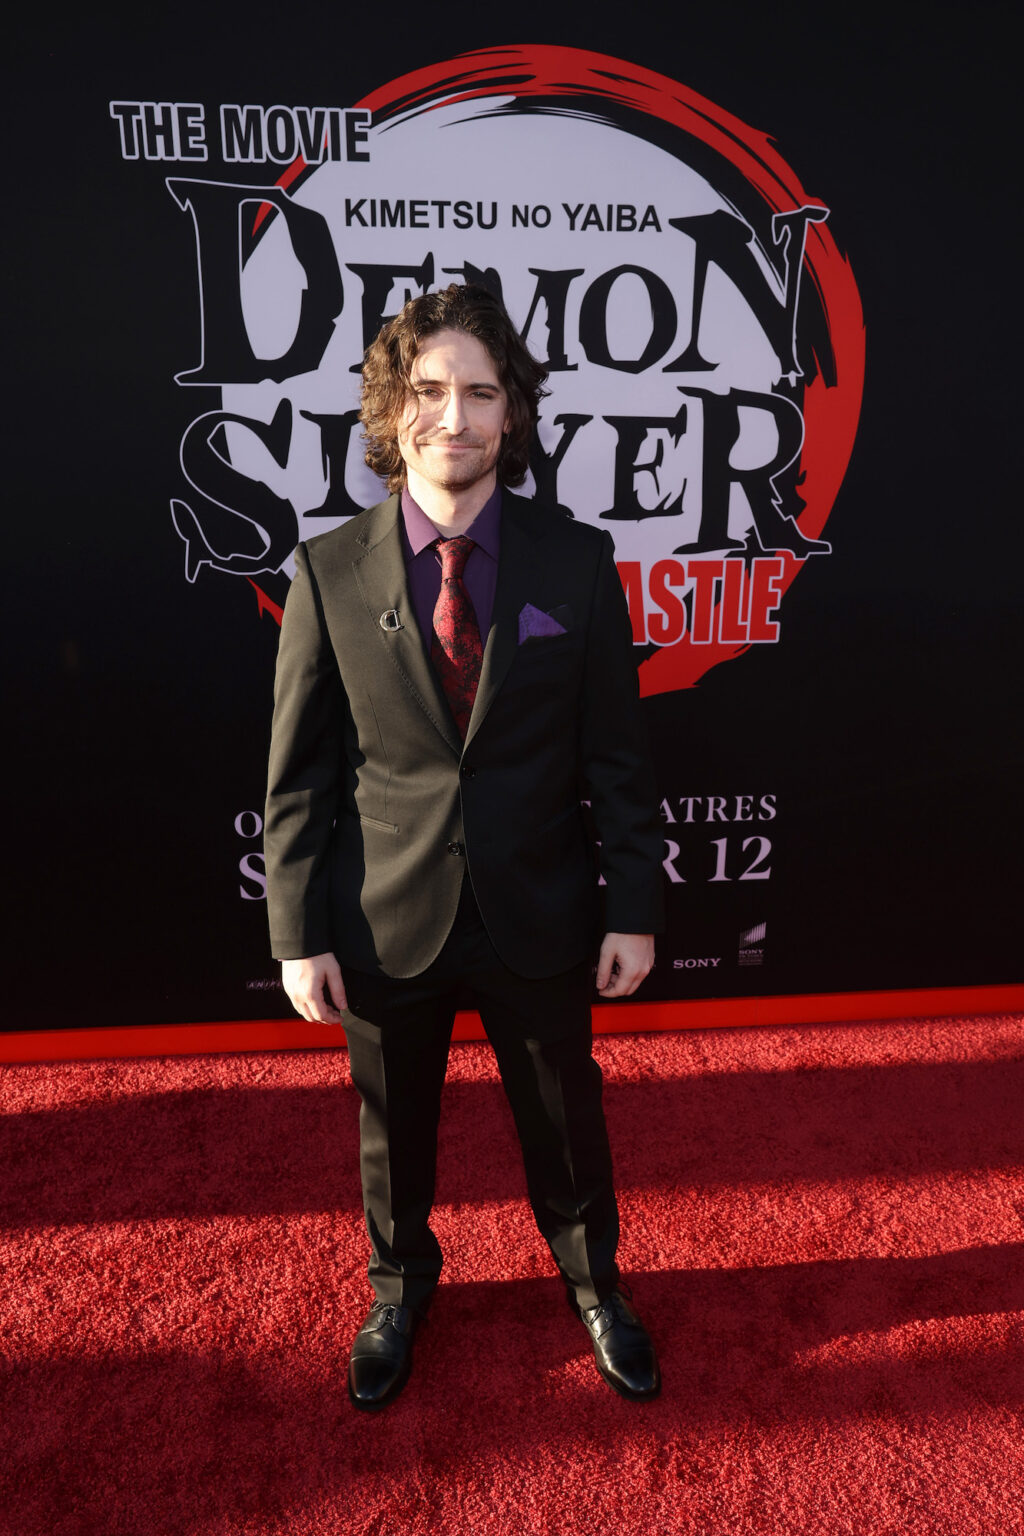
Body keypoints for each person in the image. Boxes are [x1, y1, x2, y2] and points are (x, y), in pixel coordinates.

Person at [264, 283, 664, 1411]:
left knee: (565, 1119)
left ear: (512, 414)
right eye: (431, 391)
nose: (457, 417)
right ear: (392, 411)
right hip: (384, 912)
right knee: (393, 1126)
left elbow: (617, 758)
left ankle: (596, 1288)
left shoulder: (576, 562)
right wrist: (298, 934)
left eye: (481, 393)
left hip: (538, 906)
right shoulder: (327, 573)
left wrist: (631, 905)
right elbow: (296, 775)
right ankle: (397, 1288)